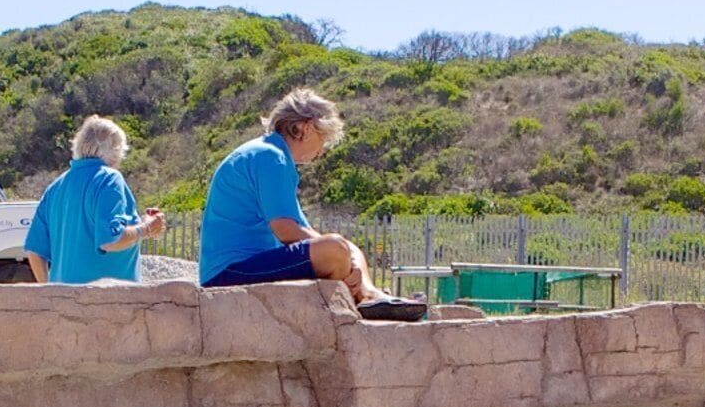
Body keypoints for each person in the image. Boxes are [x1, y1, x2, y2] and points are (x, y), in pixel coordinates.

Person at [198, 89, 424, 316]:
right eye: (322, 139)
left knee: (345, 248)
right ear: (304, 128)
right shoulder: (271, 157)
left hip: (242, 267)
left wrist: (348, 256)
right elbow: (286, 231)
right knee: (335, 249)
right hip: (230, 273)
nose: (321, 150)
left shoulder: (267, 153)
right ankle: (364, 300)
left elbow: (302, 231)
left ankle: (368, 295)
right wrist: (340, 254)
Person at [29, 115, 162, 284]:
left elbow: (35, 251)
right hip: (107, 301)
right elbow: (111, 240)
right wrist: (147, 228)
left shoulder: (56, 187)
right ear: (115, 149)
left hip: (64, 302)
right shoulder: (109, 179)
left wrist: (49, 290)